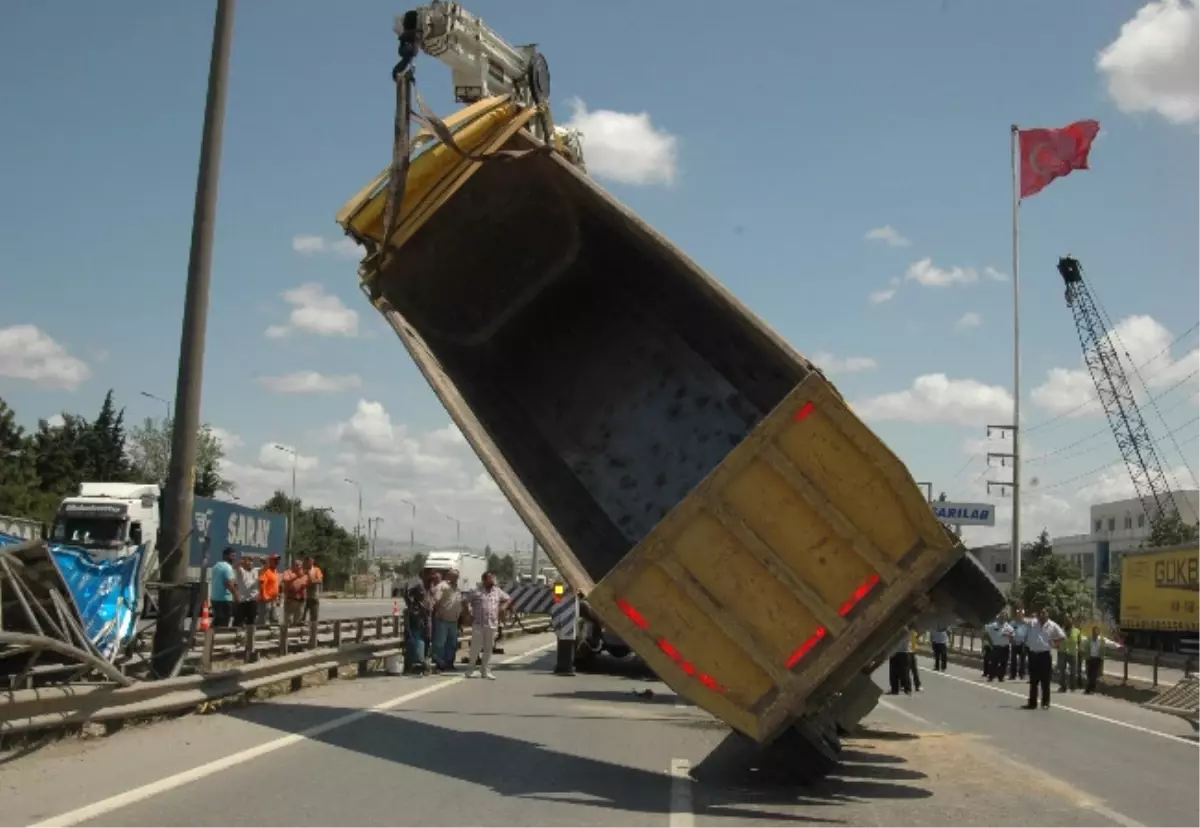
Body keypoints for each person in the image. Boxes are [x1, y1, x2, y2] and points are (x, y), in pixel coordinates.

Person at [464, 571, 511, 680]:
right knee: (475, 648)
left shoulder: (497, 591)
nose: (493, 581)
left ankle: (485, 670)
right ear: (484, 580)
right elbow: (465, 601)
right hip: (478, 623)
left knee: (488, 648)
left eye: (493, 579)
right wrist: (468, 613)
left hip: (492, 624)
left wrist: (504, 607)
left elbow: (508, 599)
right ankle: (470, 670)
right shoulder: (475, 591)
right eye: (490, 579)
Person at [1022, 607, 1065, 710]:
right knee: (1033, 681)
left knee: (1045, 681)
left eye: (1044, 613)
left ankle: (1045, 702)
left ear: (1048, 615)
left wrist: (1054, 642)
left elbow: (1062, 636)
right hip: (1033, 655)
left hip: (1045, 655)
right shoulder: (1033, 623)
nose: (1042, 615)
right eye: (1041, 613)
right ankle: (1032, 703)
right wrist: (1020, 610)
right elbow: (1021, 619)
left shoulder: (1052, 625)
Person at [405, 569, 439, 675]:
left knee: (428, 639)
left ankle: (424, 663)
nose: (432, 578)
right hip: (418, 617)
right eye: (431, 575)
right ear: (425, 575)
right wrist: (413, 608)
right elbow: (406, 594)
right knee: (418, 640)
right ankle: (418, 664)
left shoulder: (431, 587)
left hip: (428, 617)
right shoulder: (419, 585)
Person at [431, 568, 465, 671]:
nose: (456, 578)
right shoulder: (442, 586)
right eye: (453, 576)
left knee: (452, 644)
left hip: (454, 621)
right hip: (443, 620)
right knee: (440, 643)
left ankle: (449, 663)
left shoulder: (457, 589)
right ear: (448, 576)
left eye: (457, 577)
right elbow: (435, 601)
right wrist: (438, 613)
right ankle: (439, 664)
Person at [1084, 626, 1123, 694]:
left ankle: (1088, 689)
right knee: (1089, 674)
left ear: (1098, 632)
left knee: (1093, 674)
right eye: (1094, 631)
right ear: (1092, 632)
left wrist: (1119, 646)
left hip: (1097, 659)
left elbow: (1111, 644)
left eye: (1096, 631)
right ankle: (1092, 687)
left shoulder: (1102, 639)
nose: (1095, 633)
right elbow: (1083, 643)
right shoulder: (1089, 639)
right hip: (1089, 658)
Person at [209, 547, 239, 628]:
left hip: (215, 598)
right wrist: (236, 596)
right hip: (224, 600)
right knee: (223, 623)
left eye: (235, 556)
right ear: (226, 556)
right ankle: (218, 638)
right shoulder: (228, 567)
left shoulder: (216, 566)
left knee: (217, 620)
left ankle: (209, 637)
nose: (234, 558)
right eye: (232, 556)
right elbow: (228, 583)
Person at [984, 613, 1014, 682]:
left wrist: (1008, 635)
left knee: (1004, 663)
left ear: (1005, 618)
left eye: (1003, 617)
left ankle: (1001, 677)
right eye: (1001, 617)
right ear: (998, 617)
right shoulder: (994, 625)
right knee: (994, 662)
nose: (1002, 618)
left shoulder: (1008, 627)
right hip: (996, 646)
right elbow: (986, 633)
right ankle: (991, 676)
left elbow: (1012, 637)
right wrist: (990, 643)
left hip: (1005, 647)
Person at [235, 554, 260, 627]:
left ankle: (250, 636)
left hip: (252, 600)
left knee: (251, 622)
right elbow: (236, 566)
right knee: (239, 622)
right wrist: (243, 560)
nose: (250, 563)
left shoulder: (255, 570)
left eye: (251, 561)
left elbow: (266, 565)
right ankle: (238, 636)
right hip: (242, 600)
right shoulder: (241, 571)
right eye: (248, 561)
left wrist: (257, 558)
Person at [281, 560, 308, 626]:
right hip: (290, 599)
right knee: (287, 619)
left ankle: (295, 631)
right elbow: (285, 580)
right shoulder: (288, 572)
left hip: (300, 600)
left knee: (298, 620)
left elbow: (306, 583)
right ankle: (286, 633)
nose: (298, 566)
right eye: (296, 565)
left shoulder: (304, 574)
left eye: (299, 565)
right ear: (293, 565)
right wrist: (296, 576)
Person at [1058, 619, 1082, 692]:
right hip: (1062, 652)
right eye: (1066, 621)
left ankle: (1073, 686)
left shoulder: (1077, 631)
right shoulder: (1060, 630)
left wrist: (1080, 651)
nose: (1068, 623)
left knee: (1073, 671)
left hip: (1073, 653)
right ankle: (1063, 686)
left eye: (1069, 621)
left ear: (1072, 622)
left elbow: (1079, 642)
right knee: (1062, 670)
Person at [887, 630, 913, 695]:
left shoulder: (906, 631)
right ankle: (894, 689)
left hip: (903, 653)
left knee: (904, 672)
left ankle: (907, 689)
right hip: (894, 653)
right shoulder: (895, 631)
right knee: (893, 673)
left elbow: (900, 642)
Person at [258, 554, 281, 625]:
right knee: (263, 621)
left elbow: (275, 585)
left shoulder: (275, 571)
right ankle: (261, 634)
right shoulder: (264, 571)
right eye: (275, 560)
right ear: (270, 561)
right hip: (265, 600)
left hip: (273, 600)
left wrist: (278, 597)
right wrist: (264, 597)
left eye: (278, 560)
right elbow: (261, 585)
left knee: (274, 620)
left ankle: (273, 635)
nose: (277, 561)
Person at [300, 556, 324, 624]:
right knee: (301, 615)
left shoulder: (316, 570)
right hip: (303, 597)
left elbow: (319, 580)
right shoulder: (301, 570)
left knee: (314, 616)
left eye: (310, 562)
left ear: (312, 562)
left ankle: (313, 630)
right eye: (307, 562)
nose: (309, 563)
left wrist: (311, 580)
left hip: (314, 596)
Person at [1010, 608, 1030, 680]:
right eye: (1018, 613)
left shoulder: (1026, 623)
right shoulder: (1013, 623)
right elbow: (1010, 632)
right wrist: (1011, 640)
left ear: (1023, 615)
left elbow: (1028, 633)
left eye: (1021, 613)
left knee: (1022, 660)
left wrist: (1026, 642)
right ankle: (1013, 674)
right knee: (1013, 659)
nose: (1019, 615)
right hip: (1014, 643)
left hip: (1023, 643)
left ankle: (1022, 674)